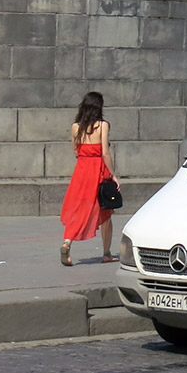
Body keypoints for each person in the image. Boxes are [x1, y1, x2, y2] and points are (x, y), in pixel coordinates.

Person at [59, 92, 120, 266]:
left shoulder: (75, 127)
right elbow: (105, 153)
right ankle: (106, 253)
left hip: (82, 170)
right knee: (106, 211)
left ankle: (67, 242)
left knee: (78, 208)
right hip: (99, 170)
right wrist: (113, 174)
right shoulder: (102, 126)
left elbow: (76, 151)